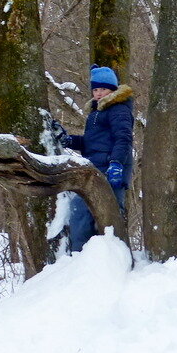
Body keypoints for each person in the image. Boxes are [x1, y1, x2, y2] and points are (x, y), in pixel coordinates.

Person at [54, 64, 134, 251]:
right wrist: (69, 140)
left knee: (109, 218)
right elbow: (92, 144)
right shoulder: (96, 113)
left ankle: (112, 259)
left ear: (113, 89)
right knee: (81, 214)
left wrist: (116, 164)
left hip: (110, 169)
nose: (98, 93)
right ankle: (83, 259)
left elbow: (123, 139)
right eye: (95, 89)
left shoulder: (118, 110)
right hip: (95, 167)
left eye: (103, 89)